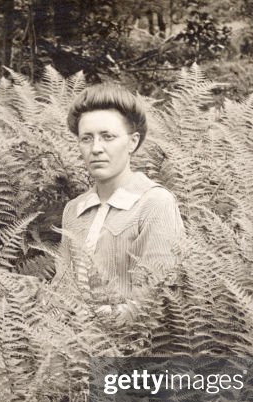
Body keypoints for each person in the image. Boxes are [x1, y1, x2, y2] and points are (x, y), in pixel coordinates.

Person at [54, 83, 185, 320]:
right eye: (86, 138)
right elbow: (62, 290)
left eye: (108, 137)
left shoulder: (154, 203)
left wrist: (87, 318)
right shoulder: (73, 210)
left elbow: (156, 303)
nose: (96, 148)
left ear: (133, 142)